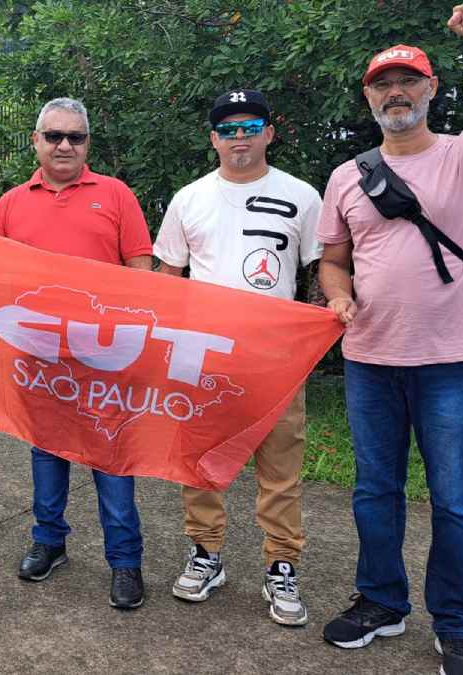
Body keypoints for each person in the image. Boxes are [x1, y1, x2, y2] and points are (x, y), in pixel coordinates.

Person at [318, 4, 463, 673]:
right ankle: (382, 601)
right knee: (374, 491)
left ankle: (458, 624)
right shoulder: (347, 176)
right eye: (383, 83)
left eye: (408, 81)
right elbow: (333, 257)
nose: (396, 92)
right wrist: (337, 292)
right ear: (368, 96)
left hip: (455, 361)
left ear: (430, 91)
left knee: (456, 500)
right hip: (370, 361)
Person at [0, 97, 155, 605]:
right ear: (36, 141)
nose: (65, 145)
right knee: (46, 453)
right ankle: (49, 542)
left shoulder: (114, 195)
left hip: (103, 354)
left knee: (111, 456)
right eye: (54, 136)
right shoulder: (11, 203)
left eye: (76, 137)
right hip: (38, 353)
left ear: (88, 143)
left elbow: (141, 269)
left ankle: (126, 562)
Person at [155, 89, 323, 625]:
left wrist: (314, 335)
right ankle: (206, 553)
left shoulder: (301, 196)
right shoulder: (189, 198)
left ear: (270, 133)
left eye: (250, 125)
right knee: (200, 461)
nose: (239, 137)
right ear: (213, 140)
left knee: (280, 468)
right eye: (227, 129)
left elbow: (322, 274)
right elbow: (167, 279)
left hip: (276, 358)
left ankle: (281, 565)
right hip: (204, 356)